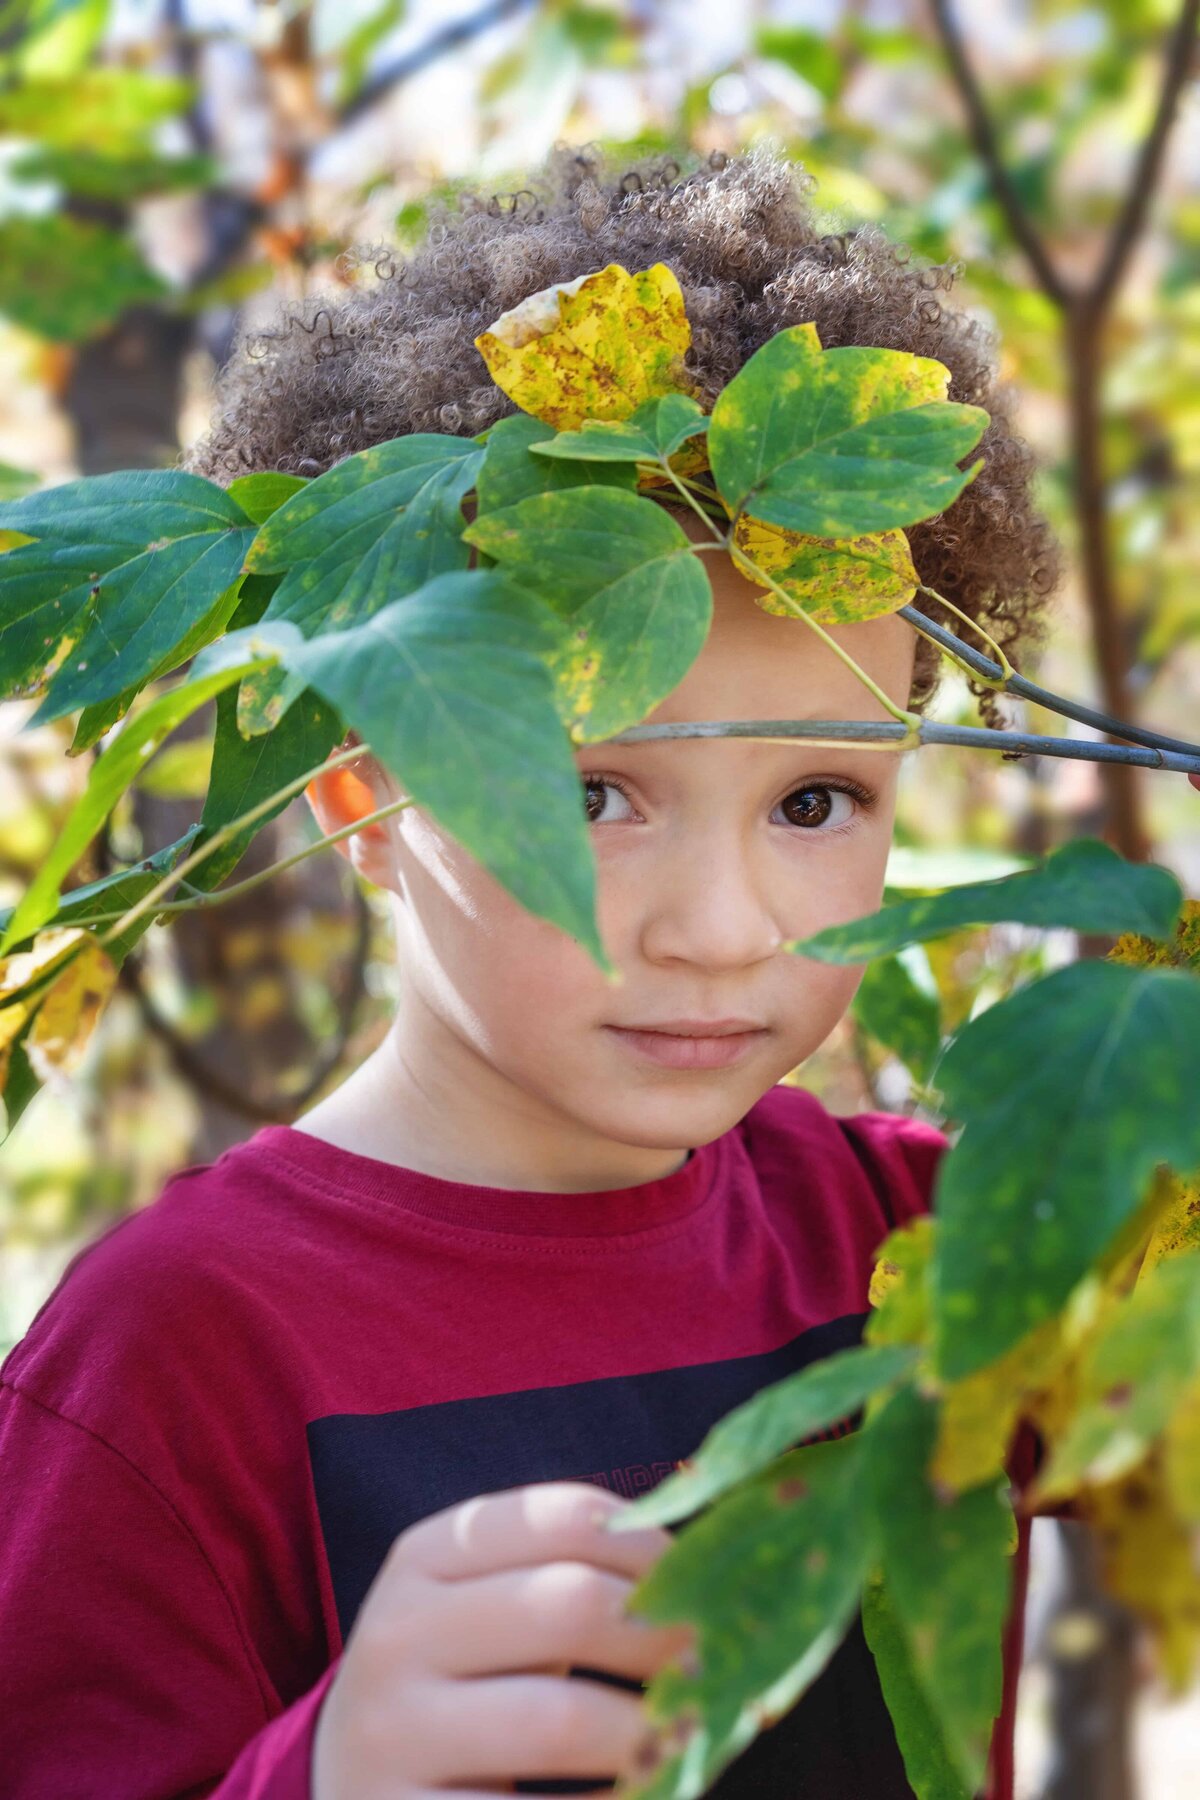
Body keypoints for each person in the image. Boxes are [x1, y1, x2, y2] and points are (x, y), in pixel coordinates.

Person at [0, 145, 1066, 1798]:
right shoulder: (176, 1356)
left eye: (816, 801)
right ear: (355, 788)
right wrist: (327, 1772)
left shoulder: (928, 1245)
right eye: (591, 793)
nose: (721, 930)